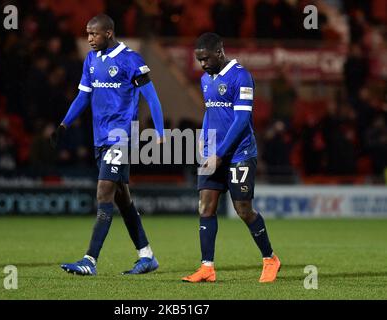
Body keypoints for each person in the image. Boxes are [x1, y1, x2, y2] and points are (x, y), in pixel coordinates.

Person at [51, 14, 165, 276]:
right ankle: (147, 255)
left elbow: (152, 97)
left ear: (109, 33)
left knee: (103, 193)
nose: (89, 38)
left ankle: (89, 260)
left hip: (121, 137)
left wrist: (159, 131)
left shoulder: (131, 59)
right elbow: (83, 96)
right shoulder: (92, 60)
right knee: (123, 200)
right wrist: (64, 124)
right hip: (100, 138)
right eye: (87, 33)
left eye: (94, 34)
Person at [182, 33, 281, 283]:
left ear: (219, 52)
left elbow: (241, 120)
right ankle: (207, 268)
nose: (202, 64)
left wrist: (219, 154)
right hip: (213, 153)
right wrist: (204, 138)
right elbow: (210, 111)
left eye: (205, 58)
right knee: (205, 206)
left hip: (239, 154)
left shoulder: (241, 76)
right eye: (199, 60)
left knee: (243, 210)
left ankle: (270, 259)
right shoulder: (206, 79)